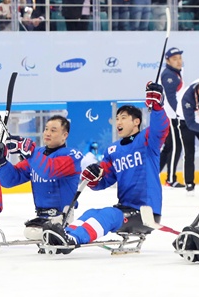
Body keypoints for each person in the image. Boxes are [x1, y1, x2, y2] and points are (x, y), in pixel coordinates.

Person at [41, 83, 169, 253]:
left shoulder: (147, 140)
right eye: (117, 118)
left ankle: (73, 238)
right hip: (125, 208)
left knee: (109, 215)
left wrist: (157, 106)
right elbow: (104, 179)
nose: (118, 122)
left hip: (146, 212)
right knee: (91, 212)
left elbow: (160, 128)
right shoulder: (113, 150)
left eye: (123, 117)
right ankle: (64, 234)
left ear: (136, 122)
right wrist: (94, 177)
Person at [0, 116, 82, 240]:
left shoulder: (72, 155)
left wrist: (29, 151)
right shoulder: (37, 154)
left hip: (63, 217)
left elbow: (49, 170)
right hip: (41, 219)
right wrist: (2, 163)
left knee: (32, 233)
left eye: (53, 130)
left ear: (64, 135)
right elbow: (11, 180)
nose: (48, 133)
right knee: (31, 232)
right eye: (46, 129)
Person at [160, 47, 184, 188]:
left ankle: (153, 174)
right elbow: (170, 98)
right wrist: (180, 113)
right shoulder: (169, 75)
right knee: (176, 146)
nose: (179, 61)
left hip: (172, 115)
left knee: (169, 147)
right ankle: (170, 179)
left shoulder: (176, 73)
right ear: (168, 61)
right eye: (175, 59)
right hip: (172, 116)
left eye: (180, 58)